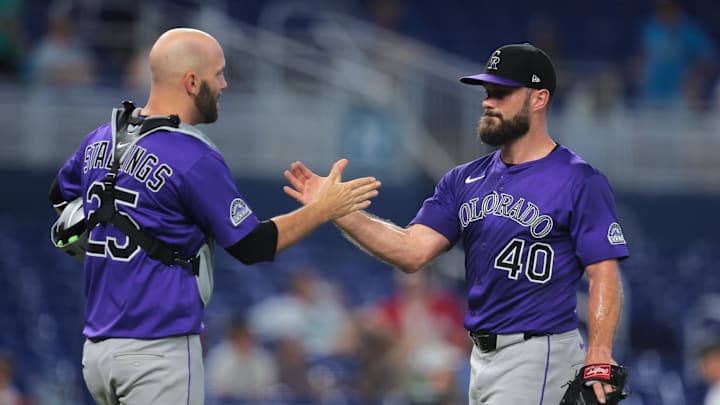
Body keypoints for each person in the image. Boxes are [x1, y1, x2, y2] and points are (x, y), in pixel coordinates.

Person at [47, 27, 380, 405]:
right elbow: (252, 245)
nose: (224, 83)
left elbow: (61, 198)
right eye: (218, 73)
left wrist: (94, 240)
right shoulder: (193, 156)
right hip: (157, 354)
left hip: (97, 354)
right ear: (192, 82)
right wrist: (322, 210)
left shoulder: (100, 139)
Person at [284, 43, 630, 404]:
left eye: (502, 93)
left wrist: (599, 352)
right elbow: (410, 250)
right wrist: (337, 210)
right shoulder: (463, 180)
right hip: (482, 357)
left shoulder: (578, 180)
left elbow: (603, 272)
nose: (487, 101)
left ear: (539, 98)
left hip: (539, 351)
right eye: (487, 92)